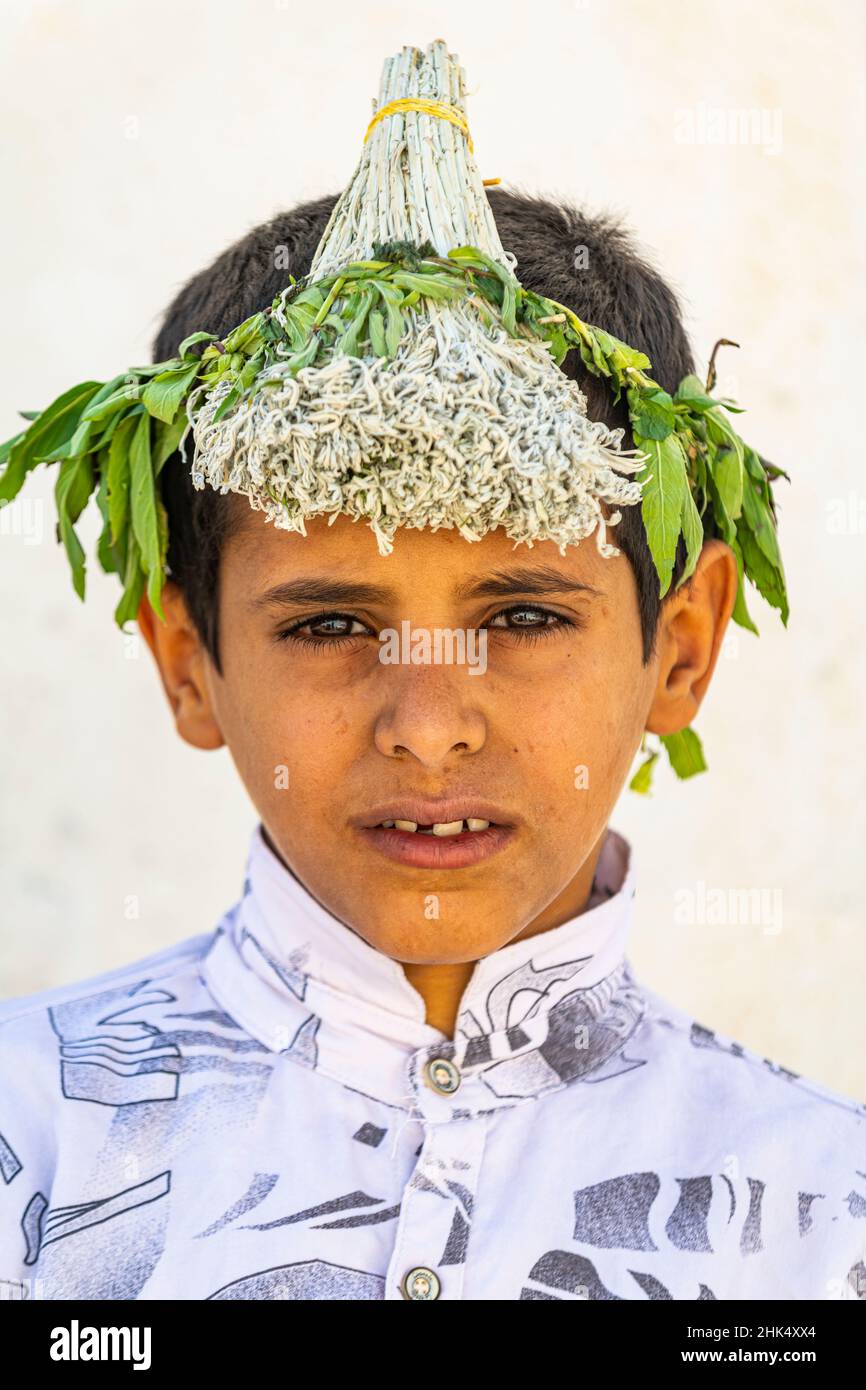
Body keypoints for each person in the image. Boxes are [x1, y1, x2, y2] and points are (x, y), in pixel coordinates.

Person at [0, 42, 862, 1303]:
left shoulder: (820, 1224)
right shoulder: (35, 1143)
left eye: (518, 614)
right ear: (188, 660)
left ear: (679, 649)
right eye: (332, 627)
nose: (428, 726)